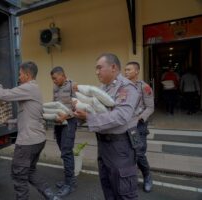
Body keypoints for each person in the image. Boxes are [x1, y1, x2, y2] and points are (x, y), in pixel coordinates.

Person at [0, 61, 61, 200]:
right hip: (37, 140)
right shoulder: (33, 89)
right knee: (30, 171)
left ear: (28, 75)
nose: (19, 77)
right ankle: (51, 196)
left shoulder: (28, 88)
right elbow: (28, 116)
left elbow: (5, 95)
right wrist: (10, 121)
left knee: (19, 175)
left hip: (28, 142)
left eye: (20, 74)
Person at [74, 53, 139, 200]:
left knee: (123, 192)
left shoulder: (126, 88)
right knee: (108, 187)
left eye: (99, 68)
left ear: (113, 67)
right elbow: (94, 110)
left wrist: (89, 117)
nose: (97, 72)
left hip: (120, 147)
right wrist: (79, 115)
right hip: (104, 146)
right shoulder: (103, 88)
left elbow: (121, 116)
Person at [125, 61, 154, 192]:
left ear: (136, 71)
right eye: (125, 70)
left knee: (139, 152)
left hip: (139, 125)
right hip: (127, 124)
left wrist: (140, 118)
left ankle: (147, 176)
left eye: (129, 70)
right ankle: (132, 178)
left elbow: (150, 107)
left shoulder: (145, 87)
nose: (126, 72)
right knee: (129, 153)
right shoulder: (123, 87)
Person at [50, 66, 77, 197]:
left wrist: (65, 117)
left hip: (69, 122)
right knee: (63, 151)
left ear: (62, 76)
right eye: (52, 79)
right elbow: (54, 103)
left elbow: (78, 106)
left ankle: (69, 184)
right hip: (59, 123)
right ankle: (69, 179)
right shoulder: (55, 87)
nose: (54, 81)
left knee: (66, 152)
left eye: (55, 78)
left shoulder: (73, 86)